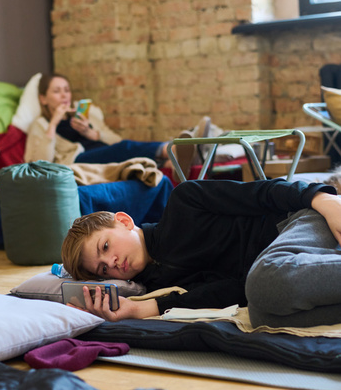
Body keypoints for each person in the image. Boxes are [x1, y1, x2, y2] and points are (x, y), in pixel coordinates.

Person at [61, 177, 341, 329]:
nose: (111, 263)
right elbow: (234, 292)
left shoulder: (186, 201)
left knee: (264, 281)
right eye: (103, 270)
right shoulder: (160, 287)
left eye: (105, 247)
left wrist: (323, 199)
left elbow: (263, 192)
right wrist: (137, 309)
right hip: (277, 272)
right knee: (262, 315)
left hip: (297, 223)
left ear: (123, 221)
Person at [23, 73, 172, 167]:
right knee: (125, 147)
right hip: (78, 159)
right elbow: (41, 163)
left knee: (128, 154)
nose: (64, 95)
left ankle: (174, 162)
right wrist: (53, 124)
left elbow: (116, 140)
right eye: (57, 91)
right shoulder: (40, 124)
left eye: (67, 90)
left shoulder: (84, 115)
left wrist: (91, 133)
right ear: (43, 99)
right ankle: (171, 149)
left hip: (103, 152)